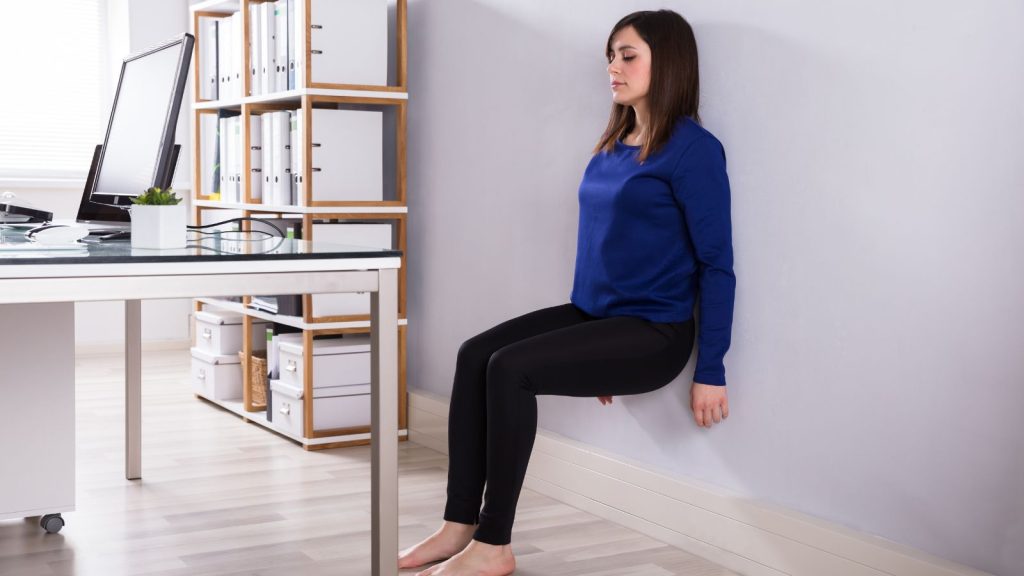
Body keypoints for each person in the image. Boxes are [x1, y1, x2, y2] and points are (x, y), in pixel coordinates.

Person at [398, 9, 736, 576]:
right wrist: (589, 352)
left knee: (509, 369)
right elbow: (601, 245)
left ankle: (494, 545)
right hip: (596, 316)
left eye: (628, 55)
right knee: (474, 354)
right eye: (610, 55)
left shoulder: (694, 150)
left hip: (655, 333)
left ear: (668, 61)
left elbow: (718, 264)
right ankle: (458, 524)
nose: (613, 66)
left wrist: (713, 367)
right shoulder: (615, 140)